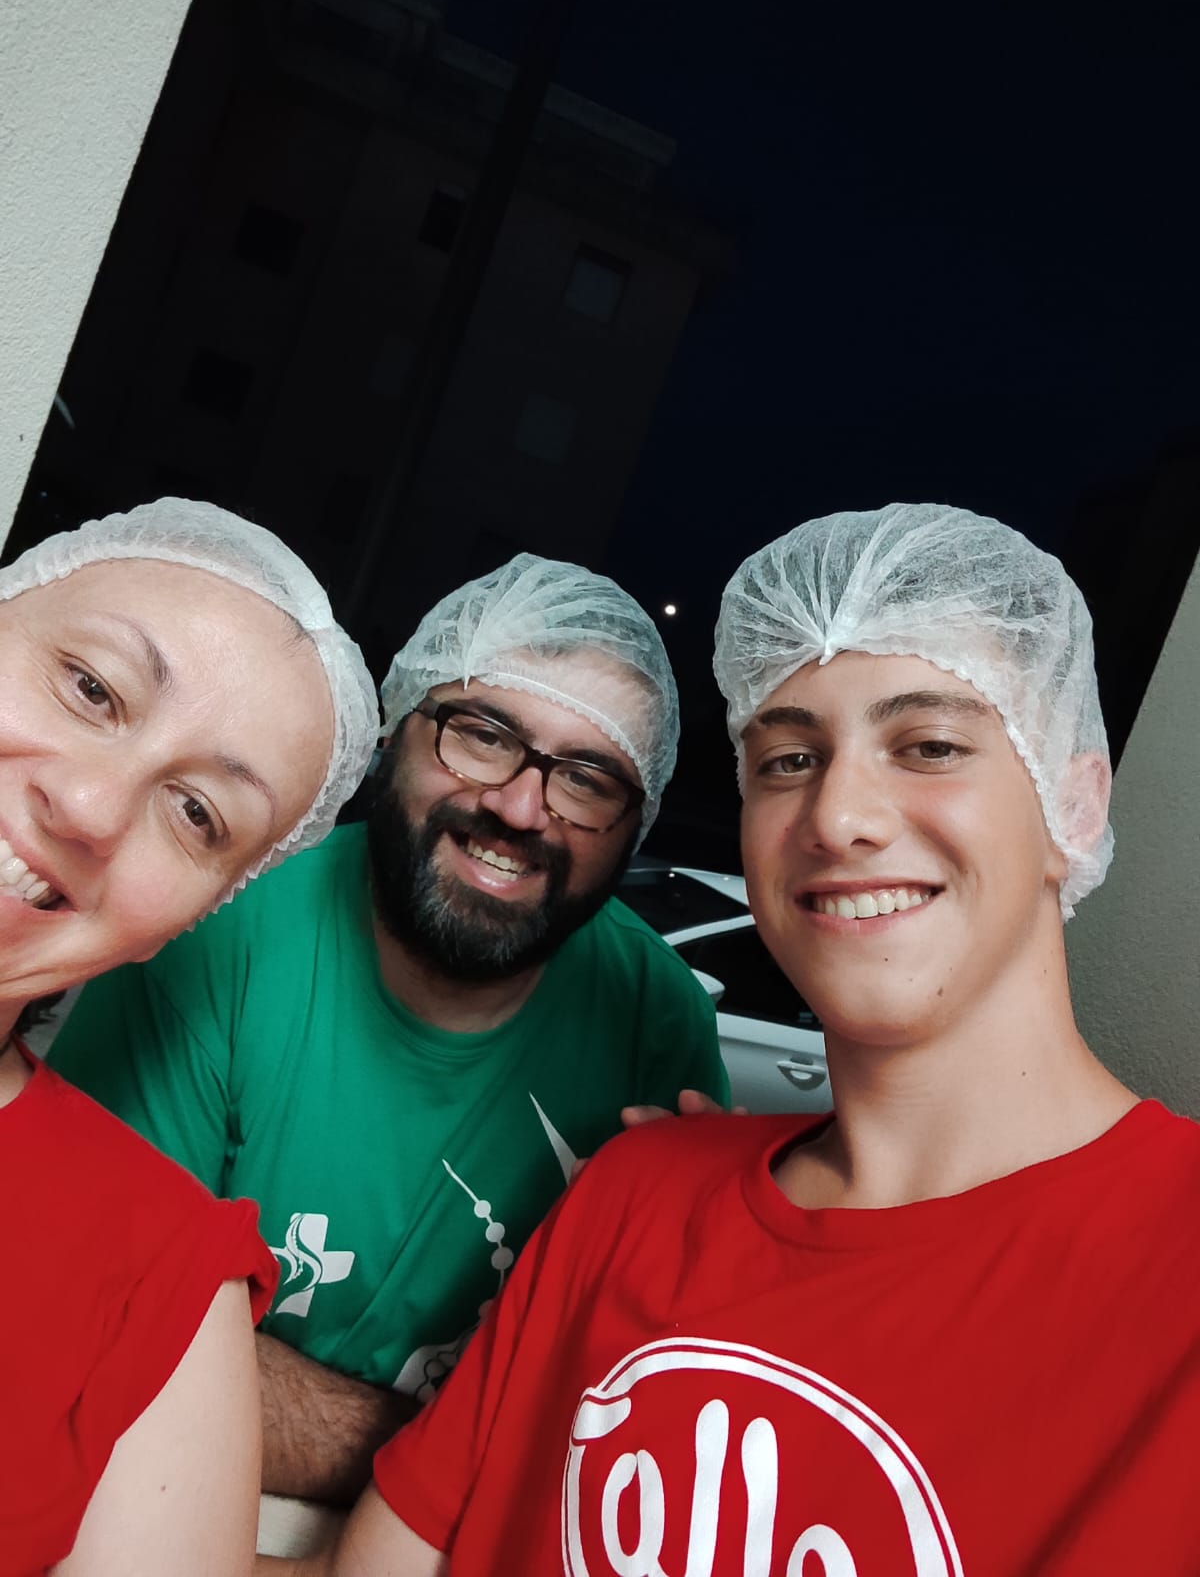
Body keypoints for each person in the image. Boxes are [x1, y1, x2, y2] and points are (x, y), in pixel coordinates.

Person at [269, 503, 1199, 1576]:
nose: (837, 816)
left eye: (930, 746)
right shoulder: (631, 1191)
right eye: (789, 760)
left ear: (1074, 807)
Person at [51, 551, 727, 1507]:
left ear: (633, 826)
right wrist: (444, 1456)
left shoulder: (656, 1014)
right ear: (394, 731)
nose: (519, 808)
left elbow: (635, 1403)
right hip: (154, 1497)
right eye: (482, 734)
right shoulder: (221, 926)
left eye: (587, 778)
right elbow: (91, 1333)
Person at [0, 496, 378, 1576]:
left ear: (185, 922)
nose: (90, 805)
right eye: (91, 686)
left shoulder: (160, 1287)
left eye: (198, 814)